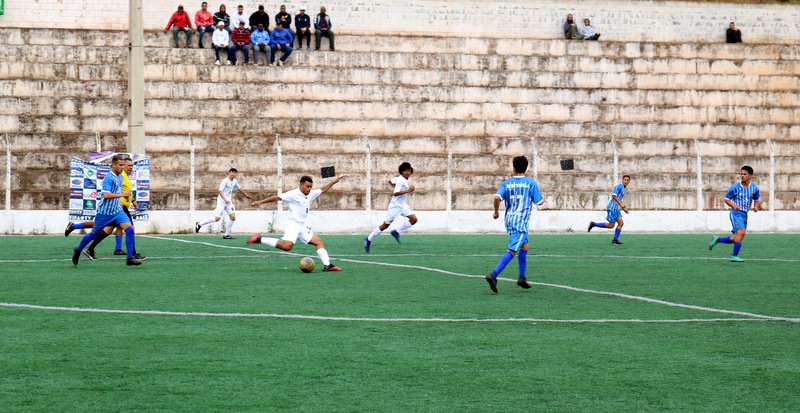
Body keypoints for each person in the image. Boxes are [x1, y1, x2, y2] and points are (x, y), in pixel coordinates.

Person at [247, 175, 345, 272]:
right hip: (293, 224)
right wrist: (260, 202)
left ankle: (327, 265)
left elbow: (322, 189)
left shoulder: (310, 194)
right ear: (301, 184)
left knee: (319, 242)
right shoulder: (293, 194)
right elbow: (276, 197)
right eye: (307, 186)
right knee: (287, 246)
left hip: (301, 227)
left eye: (310, 187)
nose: (309, 189)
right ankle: (260, 239)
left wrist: (335, 181)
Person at [485, 156, 544, 293]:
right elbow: (539, 202)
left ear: (514, 168)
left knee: (525, 245)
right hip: (521, 221)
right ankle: (493, 275)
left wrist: (495, 212)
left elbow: (496, 198)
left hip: (510, 220)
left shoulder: (506, 183)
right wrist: (544, 199)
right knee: (512, 250)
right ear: (526, 168)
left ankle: (522, 278)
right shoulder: (530, 183)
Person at [70, 154, 142, 266]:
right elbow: (107, 195)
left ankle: (130, 258)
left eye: (123, 165)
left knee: (130, 229)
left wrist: (127, 197)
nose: (122, 167)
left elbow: (117, 191)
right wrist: (122, 194)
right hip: (105, 213)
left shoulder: (120, 177)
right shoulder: (109, 177)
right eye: (120, 165)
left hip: (117, 211)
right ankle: (78, 250)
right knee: (94, 234)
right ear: (113, 165)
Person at [709, 166, 761, 262]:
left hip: (745, 214)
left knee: (737, 237)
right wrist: (734, 206)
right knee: (742, 232)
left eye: (744, 174)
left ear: (750, 175)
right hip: (736, 213)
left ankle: (717, 240)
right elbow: (727, 199)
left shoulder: (754, 187)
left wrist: (756, 207)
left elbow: (757, 199)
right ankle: (735, 256)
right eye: (741, 174)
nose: (742, 176)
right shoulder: (735, 187)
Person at [364, 162, 418, 252]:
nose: (407, 172)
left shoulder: (401, 179)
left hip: (402, 205)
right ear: (401, 172)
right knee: (385, 225)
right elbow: (395, 193)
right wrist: (408, 190)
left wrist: (395, 185)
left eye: (409, 171)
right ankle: (368, 238)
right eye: (405, 171)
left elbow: (390, 181)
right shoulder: (401, 180)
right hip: (395, 206)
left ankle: (396, 232)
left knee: (414, 219)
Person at [195, 168, 252, 238]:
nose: (233, 173)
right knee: (217, 219)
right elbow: (220, 191)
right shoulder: (225, 181)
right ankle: (199, 224)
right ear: (229, 173)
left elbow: (239, 188)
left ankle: (226, 234)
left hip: (228, 202)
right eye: (232, 172)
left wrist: (246, 195)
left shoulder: (234, 181)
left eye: (235, 173)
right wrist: (225, 200)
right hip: (222, 201)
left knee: (233, 217)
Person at [588, 175, 630, 244]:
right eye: (625, 179)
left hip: (616, 208)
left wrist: (624, 208)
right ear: (622, 180)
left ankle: (615, 240)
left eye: (627, 180)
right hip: (612, 208)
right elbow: (614, 195)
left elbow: (619, 199)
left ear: (629, 182)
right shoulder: (619, 186)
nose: (626, 181)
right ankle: (594, 224)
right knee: (611, 225)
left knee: (621, 223)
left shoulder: (623, 189)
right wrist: (621, 204)